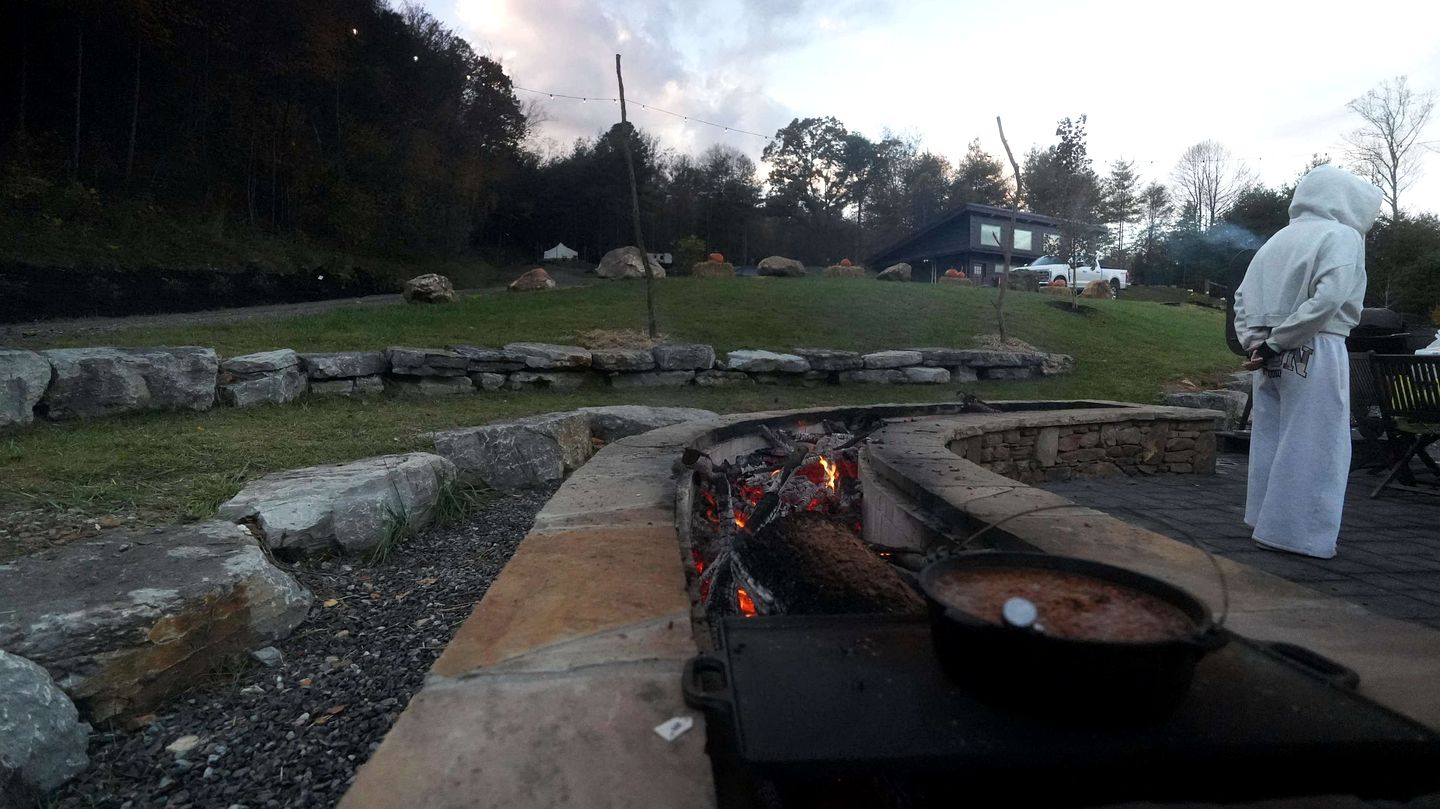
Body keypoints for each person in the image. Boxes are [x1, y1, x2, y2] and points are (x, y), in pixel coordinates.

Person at [1233, 165, 1383, 559]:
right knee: (1317, 442)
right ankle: (1297, 534)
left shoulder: (1278, 240)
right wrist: (1278, 343)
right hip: (1317, 344)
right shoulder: (1342, 235)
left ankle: (1265, 520)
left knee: (1273, 436)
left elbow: (1242, 297)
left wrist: (1258, 343)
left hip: (1267, 351)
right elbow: (1329, 298)